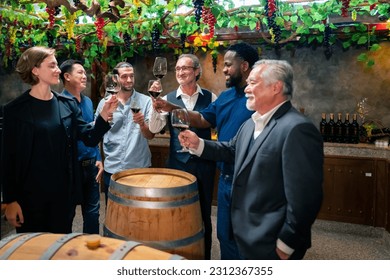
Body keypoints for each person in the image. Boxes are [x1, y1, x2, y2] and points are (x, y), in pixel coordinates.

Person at [178, 59, 324, 260]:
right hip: (245, 233)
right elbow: (230, 150)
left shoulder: (297, 129)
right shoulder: (250, 124)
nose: (247, 88)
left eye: (253, 83)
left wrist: (287, 242)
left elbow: (306, 198)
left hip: (272, 241)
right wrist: (198, 144)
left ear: (276, 87)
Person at [154, 42, 259, 259]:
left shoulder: (259, 99)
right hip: (225, 176)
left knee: (249, 238)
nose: (224, 69)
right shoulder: (226, 97)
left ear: (245, 66)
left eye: (229, 64)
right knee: (225, 235)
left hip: (251, 179)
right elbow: (202, 119)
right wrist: (170, 107)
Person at [1, 46, 117, 234]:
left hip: (63, 195)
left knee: (59, 247)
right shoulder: (15, 110)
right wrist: (10, 201)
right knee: (34, 252)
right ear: (35, 70)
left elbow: (89, 137)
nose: (58, 70)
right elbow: (8, 159)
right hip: (30, 197)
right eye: (52, 66)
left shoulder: (67, 104)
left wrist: (104, 116)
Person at [149, 54, 217, 259]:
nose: (180, 72)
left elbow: (213, 125)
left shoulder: (210, 97)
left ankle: (204, 259)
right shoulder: (167, 98)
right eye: (177, 68)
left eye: (185, 68)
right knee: (176, 213)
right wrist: (154, 106)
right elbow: (154, 128)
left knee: (204, 214)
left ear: (196, 71)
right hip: (177, 166)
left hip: (204, 165)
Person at [95, 62, 155, 206]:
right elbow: (96, 135)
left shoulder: (146, 101)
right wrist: (98, 159)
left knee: (139, 213)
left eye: (131, 76)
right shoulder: (104, 104)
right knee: (114, 214)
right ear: (115, 79)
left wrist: (142, 124)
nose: (129, 80)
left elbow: (150, 135)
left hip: (139, 169)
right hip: (113, 169)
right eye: (124, 76)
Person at [59, 59, 103, 234]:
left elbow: (91, 133)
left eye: (85, 73)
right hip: (71, 169)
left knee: (92, 214)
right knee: (67, 214)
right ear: (67, 76)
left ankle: (90, 253)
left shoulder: (88, 102)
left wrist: (98, 158)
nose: (85, 76)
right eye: (80, 72)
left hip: (91, 166)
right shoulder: (59, 103)